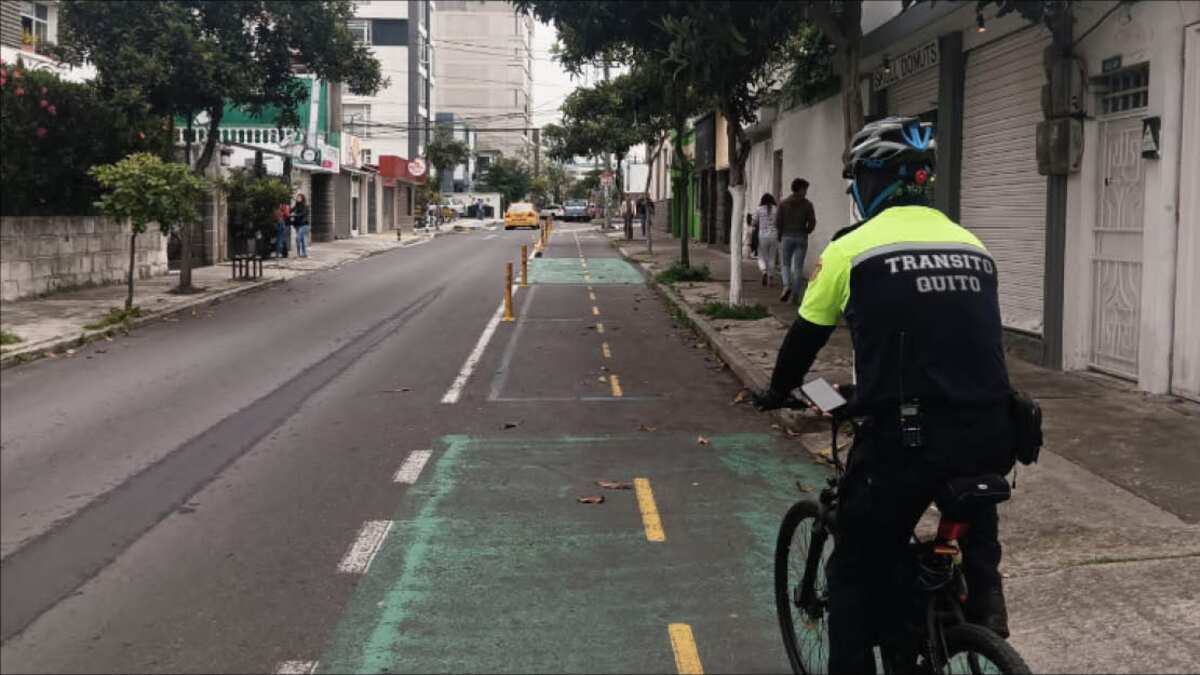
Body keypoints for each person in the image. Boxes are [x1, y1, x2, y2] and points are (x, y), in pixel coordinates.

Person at [753, 117, 1016, 673]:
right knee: (973, 526)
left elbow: (803, 339)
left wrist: (777, 391)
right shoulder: (973, 244)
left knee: (851, 575)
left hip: (907, 442)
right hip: (993, 433)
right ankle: (985, 610)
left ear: (872, 182)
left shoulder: (853, 250)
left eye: (855, 184)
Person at [774, 178, 817, 303]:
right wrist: (808, 230)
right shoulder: (808, 205)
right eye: (805, 189)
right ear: (799, 189)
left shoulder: (783, 204)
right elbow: (812, 222)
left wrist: (780, 233)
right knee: (798, 267)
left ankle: (787, 286)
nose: (806, 192)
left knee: (785, 264)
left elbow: (778, 222)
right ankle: (796, 295)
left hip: (786, 237)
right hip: (801, 237)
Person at [752, 193, 778, 286]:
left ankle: (764, 272)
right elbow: (779, 221)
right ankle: (770, 277)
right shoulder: (776, 209)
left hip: (762, 235)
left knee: (761, 256)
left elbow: (754, 222)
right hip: (774, 235)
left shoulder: (759, 209)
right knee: (772, 257)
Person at [291, 193, 309, 258]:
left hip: (304, 224)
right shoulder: (296, 206)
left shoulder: (305, 206)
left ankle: (300, 253)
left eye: (299, 197)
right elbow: (290, 210)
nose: (298, 198)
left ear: (302, 199)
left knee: (298, 238)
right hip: (297, 225)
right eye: (297, 197)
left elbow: (303, 214)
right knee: (301, 239)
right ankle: (303, 253)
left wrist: (295, 215)